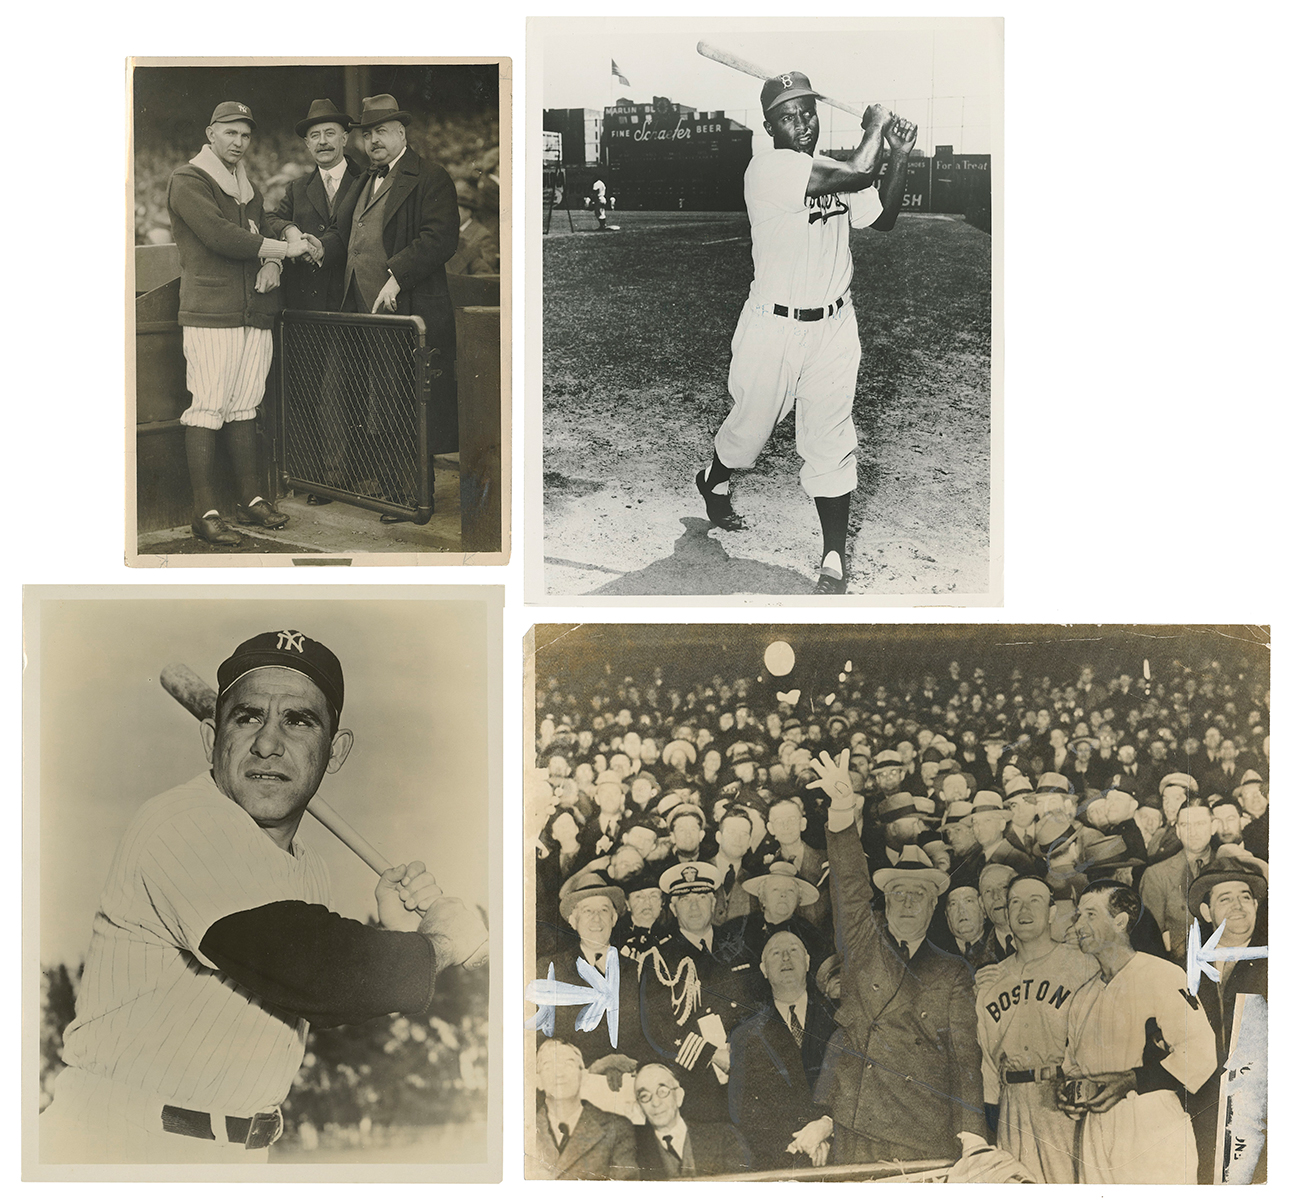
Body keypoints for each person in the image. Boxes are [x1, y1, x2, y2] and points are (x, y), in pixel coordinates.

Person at [41, 630, 487, 1163]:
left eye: (298, 722)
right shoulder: (181, 823)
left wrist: (393, 937)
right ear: (211, 739)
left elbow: (317, 1000)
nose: (268, 744)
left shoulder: (307, 868)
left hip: (238, 1153)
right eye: (248, 717)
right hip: (117, 1145)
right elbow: (311, 968)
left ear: (334, 752)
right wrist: (440, 942)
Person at [695, 73, 917, 594]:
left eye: (808, 113)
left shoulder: (835, 171)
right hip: (772, 326)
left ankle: (833, 557)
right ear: (770, 126)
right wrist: (877, 125)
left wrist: (899, 153)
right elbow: (863, 167)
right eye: (789, 116)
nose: (802, 124)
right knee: (750, 430)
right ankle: (714, 477)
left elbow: (881, 218)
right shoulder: (769, 169)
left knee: (830, 439)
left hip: (834, 326)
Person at [811, 749, 987, 1162]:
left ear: (933, 906)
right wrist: (841, 810)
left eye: (918, 895)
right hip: (857, 1122)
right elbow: (849, 885)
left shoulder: (951, 970)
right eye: (897, 893)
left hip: (922, 1129)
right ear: (884, 903)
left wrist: (973, 1133)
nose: (907, 902)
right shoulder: (863, 941)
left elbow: (965, 1056)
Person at [166, 102, 314, 545]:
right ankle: (204, 512)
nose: (238, 142)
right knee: (208, 406)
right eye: (230, 133)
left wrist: (282, 242)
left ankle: (249, 501)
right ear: (211, 133)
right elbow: (221, 237)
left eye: (245, 135)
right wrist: (284, 251)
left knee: (245, 405)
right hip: (212, 309)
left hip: (255, 308)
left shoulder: (243, 183)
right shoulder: (189, 178)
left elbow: (260, 222)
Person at [334, 94, 460, 522]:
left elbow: (440, 238)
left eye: (382, 131)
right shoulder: (364, 179)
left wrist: (397, 276)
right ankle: (390, 489)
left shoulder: (430, 176)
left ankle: (413, 494)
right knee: (377, 401)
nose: (373, 141)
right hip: (360, 309)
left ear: (402, 133)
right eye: (367, 134)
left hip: (405, 308)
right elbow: (347, 236)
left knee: (407, 403)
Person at [1058, 880, 1217, 1184]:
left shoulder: (1164, 975)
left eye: (1090, 915)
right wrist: (1069, 1093)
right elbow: (1072, 1067)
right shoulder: (1082, 997)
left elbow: (1201, 1052)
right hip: (1094, 1131)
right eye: (1078, 915)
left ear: (1120, 921)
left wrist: (1133, 1080)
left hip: (1150, 1124)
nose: (1078, 924)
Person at [264, 99, 366, 506]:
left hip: (350, 301)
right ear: (307, 145)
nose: (322, 142)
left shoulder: (367, 178)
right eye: (314, 136)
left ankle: (349, 474)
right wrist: (290, 230)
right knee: (309, 391)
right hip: (307, 306)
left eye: (329, 133)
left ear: (345, 137)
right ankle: (320, 477)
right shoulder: (298, 186)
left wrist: (321, 245)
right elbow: (270, 218)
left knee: (350, 390)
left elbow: (355, 232)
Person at [973, 876, 1096, 1182]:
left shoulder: (1082, 965)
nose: (1023, 909)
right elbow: (986, 1062)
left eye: (1034, 901)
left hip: (1064, 1099)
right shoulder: (991, 979)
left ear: (1052, 913)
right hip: (1011, 1103)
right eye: (1015, 902)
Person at [635, 862, 756, 1123]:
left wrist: (741, 1050)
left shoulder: (739, 946)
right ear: (672, 907)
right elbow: (657, 1028)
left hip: (748, 1071)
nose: (694, 906)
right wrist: (713, 1054)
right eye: (684, 899)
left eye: (701, 897)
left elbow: (759, 1005)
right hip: (694, 1081)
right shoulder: (658, 958)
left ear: (713, 903)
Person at [1185, 854, 1268, 1182]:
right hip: (1204, 1112)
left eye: (1246, 897)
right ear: (1207, 912)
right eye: (1225, 898)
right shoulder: (1188, 968)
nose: (1239, 905)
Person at [728, 931, 838, 1170]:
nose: (786, 958)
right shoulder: (745, 1036)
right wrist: (800, 1146)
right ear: (764, 969)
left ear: (808, 962)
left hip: (841, 1153)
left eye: (794, 951)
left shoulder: (840, 1020)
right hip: (783, 1161)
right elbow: (742, 1112)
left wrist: (828, 1128)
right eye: (776, 953)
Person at [533, 1039, 636, 1180]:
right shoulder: (521, 1131)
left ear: (584, 1076)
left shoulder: (616, 1129)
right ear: (538, 1080)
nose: (559, 1074)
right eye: (549, 1066)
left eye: (568, 1064)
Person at [632, 1061, 748, 1178]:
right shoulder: (633, 1155)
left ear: (679, 1096)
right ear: (639, 1108)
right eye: (645, 1096)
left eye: (662, 1091)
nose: (655, 1103)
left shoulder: (723, 1138)